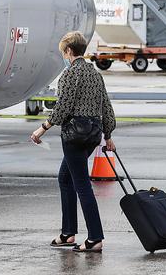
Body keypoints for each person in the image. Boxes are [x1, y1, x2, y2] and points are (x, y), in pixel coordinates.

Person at [31, 31, 116, 253]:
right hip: (93, 134)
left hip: (74, 135)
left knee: (81, 184)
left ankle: (95, 238)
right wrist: (108, 136)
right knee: (65, 178)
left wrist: (42, 128)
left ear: (68, 51)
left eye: (63, 52)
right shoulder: (95, 74)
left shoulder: (69, 75)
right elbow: (106, 106)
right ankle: (68, 233)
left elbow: (63, 107)